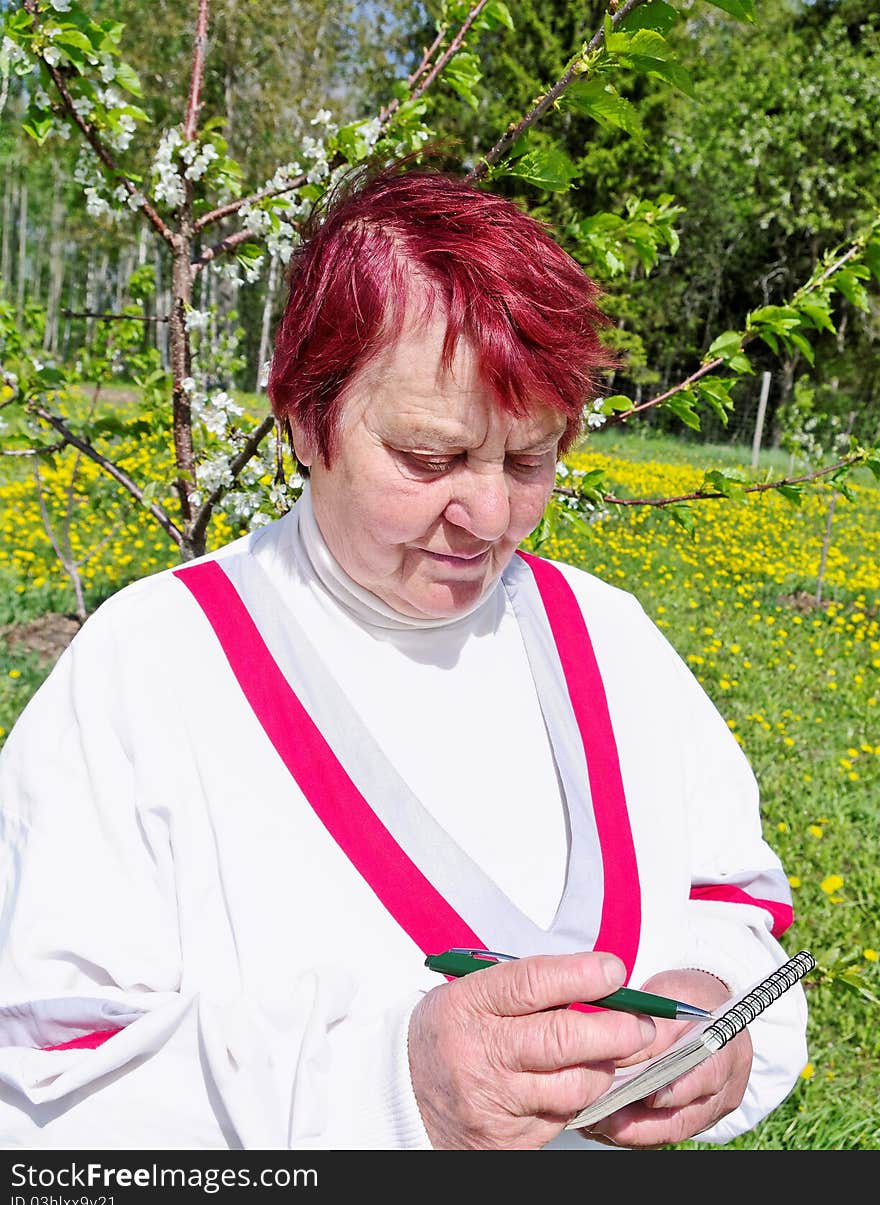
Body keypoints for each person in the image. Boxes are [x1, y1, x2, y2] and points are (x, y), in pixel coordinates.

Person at [0, 165, 808, 1152]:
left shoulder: (604, 636)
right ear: (303, 416)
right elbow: (41, 1100)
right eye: (429, 459)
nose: (489, 517)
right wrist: (392, 1090)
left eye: (529, 459)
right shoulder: (148, 671)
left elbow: (729, 902)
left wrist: (714, 1011)